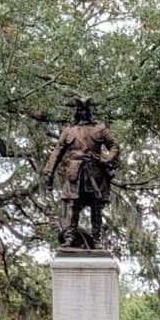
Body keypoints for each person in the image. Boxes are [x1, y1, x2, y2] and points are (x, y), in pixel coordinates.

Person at [43, 97, 120, 248]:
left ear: (90, 111)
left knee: (96, 206)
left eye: (86, 110)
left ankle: (96, 239)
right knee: (73, 206)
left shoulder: (100, 129)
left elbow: (114, 146)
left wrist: (106, 159)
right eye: (80, 110)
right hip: (75, 173)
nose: (83, 113)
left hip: (95, 172)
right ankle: (70, 237)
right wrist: (49, 170)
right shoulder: (68, 131)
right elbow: (57, 151)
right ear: (76, 111)